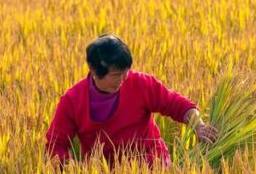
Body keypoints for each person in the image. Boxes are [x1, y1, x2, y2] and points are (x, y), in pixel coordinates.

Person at [45, 35, 218, 167]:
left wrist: (199, 126)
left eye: (126, 71)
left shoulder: (141, 84)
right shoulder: (72, 101)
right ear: (94, 71)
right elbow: (56, 145)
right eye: (116, 75)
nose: (123, 79)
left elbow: (177, 104)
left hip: (152, 164)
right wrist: (70, 168)